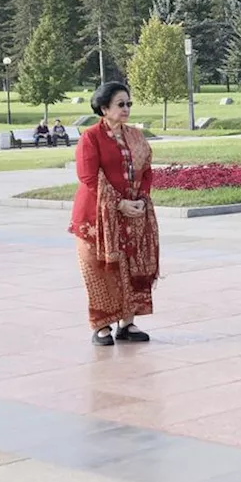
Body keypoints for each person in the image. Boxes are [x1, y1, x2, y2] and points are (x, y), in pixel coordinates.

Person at [69, 82, 159, 346]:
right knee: (100, 271)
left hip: (132, 216)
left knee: (129, 268)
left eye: (129, 103)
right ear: (104, 108)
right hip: (94, 219)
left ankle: (127, 324)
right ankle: (101, 326)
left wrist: (141, 197)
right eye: (121, 104)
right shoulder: (91, 137)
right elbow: (88, 177)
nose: (126, 109)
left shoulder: (135, 135)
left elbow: (147, 170)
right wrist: (118, 203)